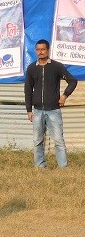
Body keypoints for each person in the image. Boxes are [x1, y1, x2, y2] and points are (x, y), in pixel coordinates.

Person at [25, 39, 78, 168]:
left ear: (48, 50)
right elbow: (28, 89)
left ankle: (63, 167)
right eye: (38, 50)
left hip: (53, 110)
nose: (40, 52)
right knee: (37, 141)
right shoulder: (32, 68)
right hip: (37, 111)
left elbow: (72, 81)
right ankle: (40, 166)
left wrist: (64, 96)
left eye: (43, 49)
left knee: (59, 140)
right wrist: (29, 110)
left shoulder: (57, 66)